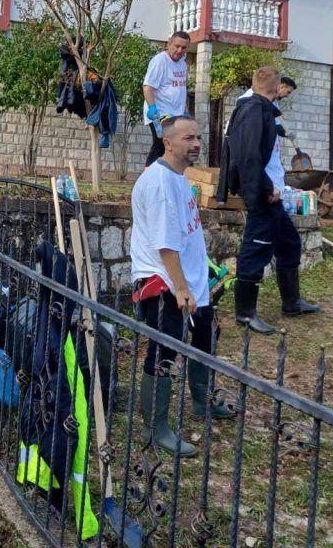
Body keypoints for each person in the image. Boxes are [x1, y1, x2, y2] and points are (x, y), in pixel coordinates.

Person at [131, 115, 233, 458]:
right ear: (168, 142)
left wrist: (199, 278)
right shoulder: (159, 182)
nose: (197, 144)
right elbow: (165, 244)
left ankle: (203, 402)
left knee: (206, 336)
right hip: (164, 282)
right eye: (189, 138)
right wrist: (181, 287)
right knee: (165, 351)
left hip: (190, 280)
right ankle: (155, 427)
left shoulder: (179, 177)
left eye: (199, 138)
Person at [217, 66, 320, 335]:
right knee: (255, 249)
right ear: (277, 89)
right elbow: (247, 157)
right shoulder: (252, 111)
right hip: (263, 194)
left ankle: (292, 302)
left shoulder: (263, 109)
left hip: (273, 191)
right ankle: (245, 314)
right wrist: (266, 187)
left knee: (289, 242)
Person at [142, 31, 191, 167]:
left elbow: (181, 90)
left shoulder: (182, 63)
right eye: (177, 46)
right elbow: (148, 87)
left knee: (175, 148)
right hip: (161, 112)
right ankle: (147, 179)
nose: (180, 50)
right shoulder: (160, 61)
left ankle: (167, 177)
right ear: (169, 44)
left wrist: (185, 111)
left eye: (184, 47)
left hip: (176, 113)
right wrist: (152, 108)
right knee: (161, 144)